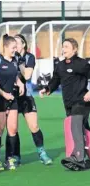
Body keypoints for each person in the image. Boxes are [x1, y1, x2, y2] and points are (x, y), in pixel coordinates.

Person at [39, 38, 90, 171]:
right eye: (63, 47)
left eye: (67, 47)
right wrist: (47, 89)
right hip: (68, 103)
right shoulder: (60, 65)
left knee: (75, 127)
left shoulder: (82, 64)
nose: (64, 49)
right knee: (85, 129)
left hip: (82, 102)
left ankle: (78, 157)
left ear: (74, 49)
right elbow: (55, 80)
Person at [9, 34, 52, 165]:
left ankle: (42, 152)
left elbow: (27, 75)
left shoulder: (29, 57)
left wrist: (20, 62)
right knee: (13, 129)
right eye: (13, 43)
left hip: (26, 97)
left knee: (34, 126)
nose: (15, 45)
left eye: (17, 42)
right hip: (12, 97)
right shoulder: (8, 57)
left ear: (23, 44)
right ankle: (15, 156)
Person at [0, 34, 24, 171]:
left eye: (16, 47)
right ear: (5, 47)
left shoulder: (14, 60)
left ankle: (10, 157)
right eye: (13, 47)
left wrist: (20, 83)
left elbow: (14, 75)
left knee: (13, 129)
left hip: (12, 98)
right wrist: (3, 94)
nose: (15, 50)